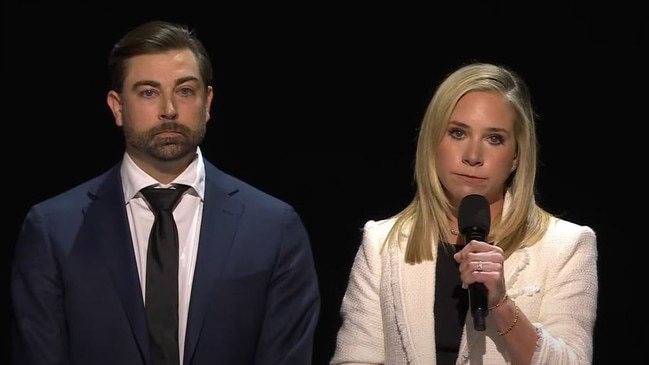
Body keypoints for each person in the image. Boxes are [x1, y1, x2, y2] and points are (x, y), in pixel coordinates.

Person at [11, 20, 320, 365]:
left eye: (185, 91)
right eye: (148, 92)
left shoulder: (273, 228)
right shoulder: (53, 230)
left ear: (207, 102)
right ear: (117, 107)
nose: (169, 110)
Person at [330, 62, 598, 364]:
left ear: (515, 157)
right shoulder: (382, 243)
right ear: (433, 142)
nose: (472, 156)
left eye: (494, 139)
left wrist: (501, 304)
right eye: (458, 133)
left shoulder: (566, 245)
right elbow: (354, 358)